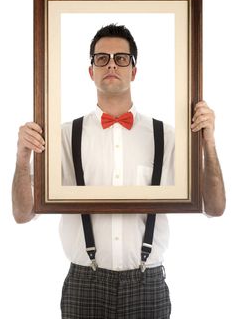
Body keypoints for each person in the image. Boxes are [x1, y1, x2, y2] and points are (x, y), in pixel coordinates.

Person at [12, 24, 226, 319]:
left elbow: (215, 208)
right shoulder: (62, 136)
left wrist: (209, 144)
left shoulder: (167, 135)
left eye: (121, 58)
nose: (111, 63)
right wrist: (22, 157)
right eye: (102, 58)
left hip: (147, 284)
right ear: (91, 71)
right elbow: (22, 214)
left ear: (134, 71)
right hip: (83, 285)